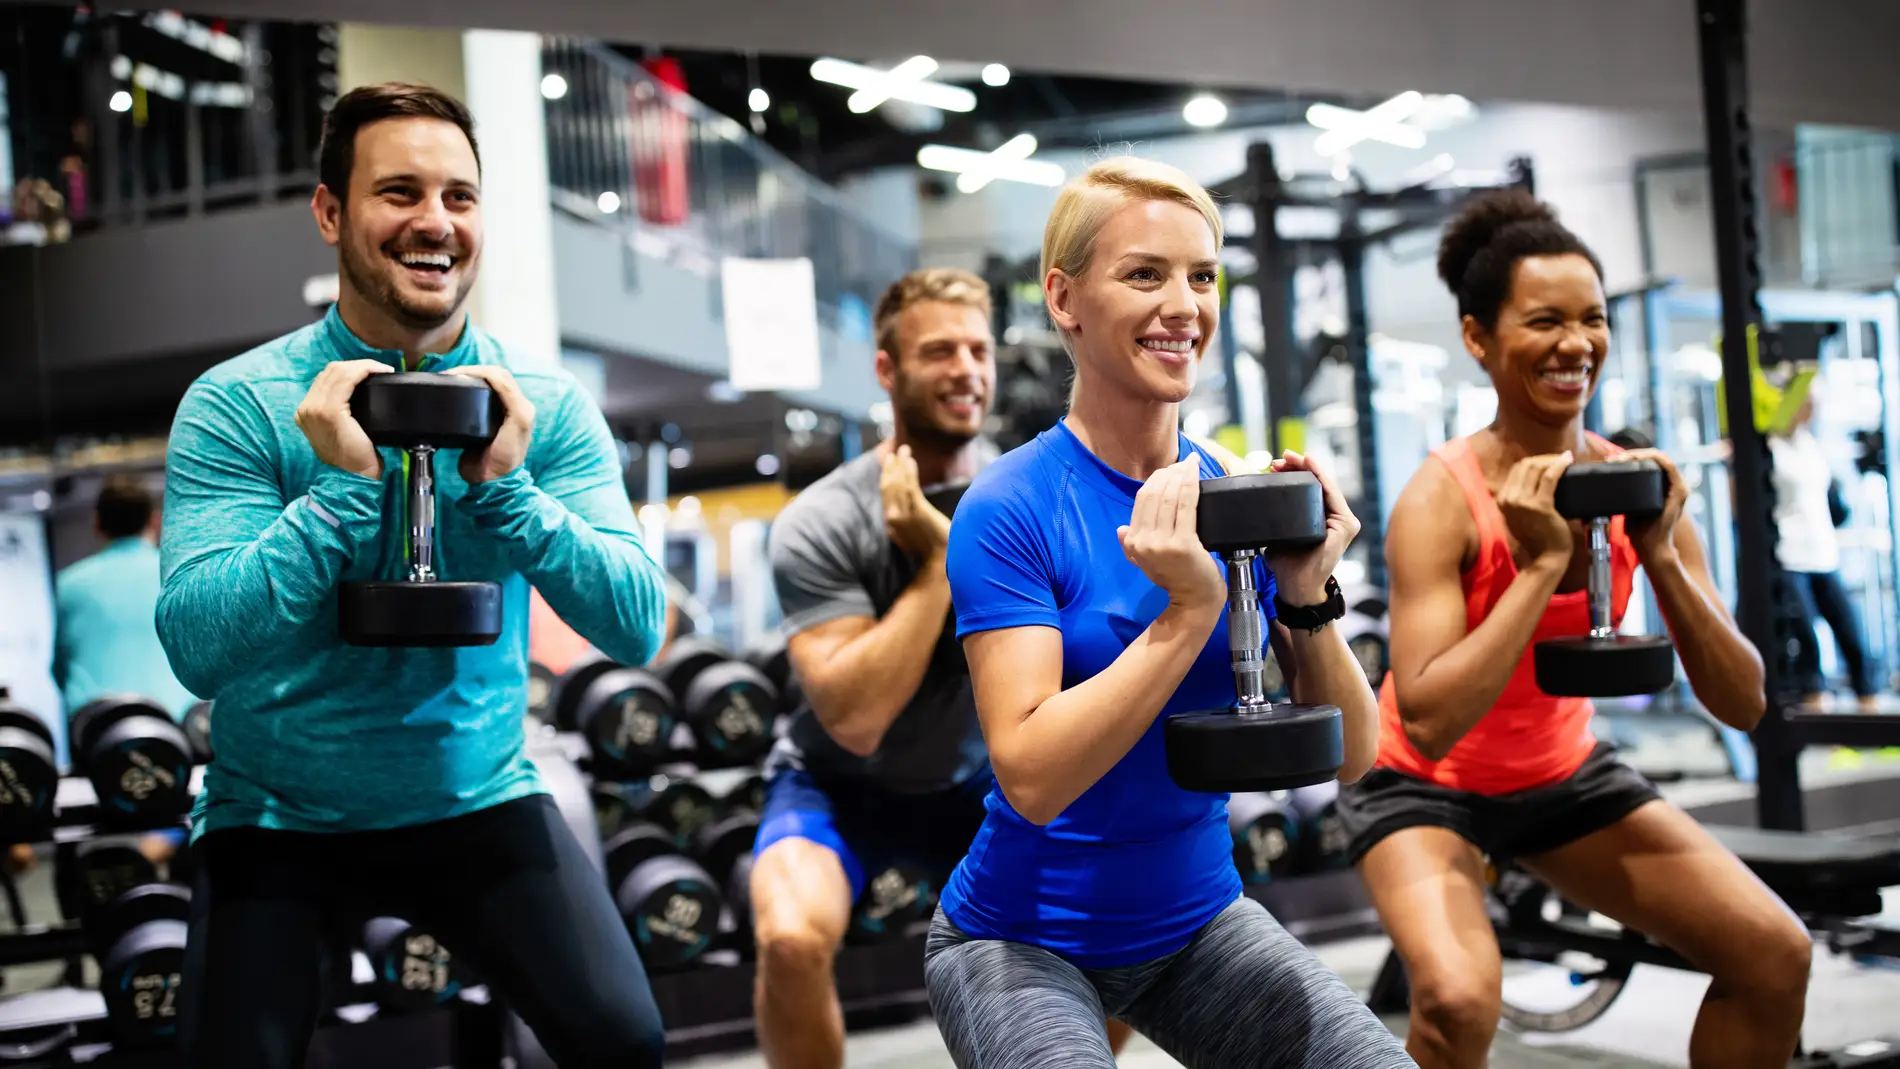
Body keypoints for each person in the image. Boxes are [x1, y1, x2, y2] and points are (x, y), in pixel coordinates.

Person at [156, 83, 670, 1067]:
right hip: (279, 812)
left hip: (474, 796)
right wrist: (341, 496)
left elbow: (638, 624)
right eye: (399, 192)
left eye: (460, 196)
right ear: (329, 212)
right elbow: (196, 646)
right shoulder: (238, 405)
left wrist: (511, 496)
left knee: (623, 1039)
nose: (435, 222)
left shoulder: (544, 408)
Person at [924, 157, 1411, 1069]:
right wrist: (1189, 610)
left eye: (1202, 275)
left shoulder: (1231, 490)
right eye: (1145, 274)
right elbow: (1030, 776)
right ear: (1065, 297)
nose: (1184, 304)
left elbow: (1352, 755)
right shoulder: (1012, 506)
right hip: (1023, 934)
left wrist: (1305, 592)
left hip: (1196, 918)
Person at [1336, 189, 1812, 1069]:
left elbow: (1743, 701)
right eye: (1544, 319)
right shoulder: (1440, 499)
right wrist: (1545, 564)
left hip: (1562, 775)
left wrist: (1661, 551)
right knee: (1456, 998)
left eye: (1591, 318)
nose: (1575, 343)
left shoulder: (1633, 481)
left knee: (1774, 955)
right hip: (1421, 785)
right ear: (1479, 338)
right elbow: (1432, 716)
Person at [752, 267, 1135, 1068]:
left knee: (1122, 922)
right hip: (842, 784)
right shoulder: (821, 521)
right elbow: (854, 723)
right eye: (938, 351)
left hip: (986, 779)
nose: (966, 368)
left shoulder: (1035, 491)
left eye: (976, 348)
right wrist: (935, 565)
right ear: (888, 370)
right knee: (789, 935)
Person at [55, 477, 199, 739]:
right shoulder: (180, 576)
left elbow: (59, 668)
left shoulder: (67, 585)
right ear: (155, 521)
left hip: (97, 735)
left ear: (97, 523)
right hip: (181, 732)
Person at [1769, 393, 1881, 710]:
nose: (1812, 409)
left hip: (1824, 553)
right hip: (1789, 555)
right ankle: (1819, 719)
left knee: (1851, 634)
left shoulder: (1809, 443)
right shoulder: (1769, 447)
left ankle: (1870, 711)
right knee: (1807, 641)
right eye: (1806, 403)